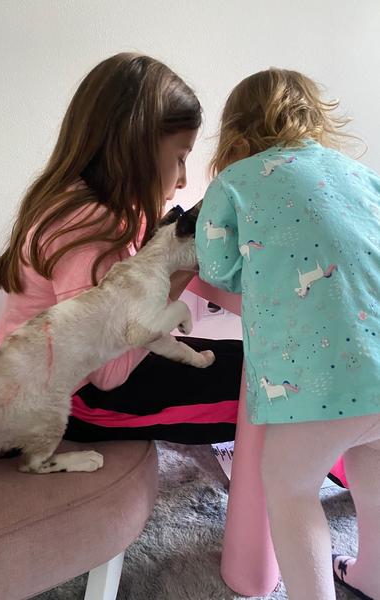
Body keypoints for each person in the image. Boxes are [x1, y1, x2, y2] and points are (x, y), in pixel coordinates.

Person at [0, 52, 243, 448]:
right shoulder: (91, 227)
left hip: (54, 381)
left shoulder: (85, 203)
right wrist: (181, 268)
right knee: (271, 393)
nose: (182, 179)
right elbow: (109, 375)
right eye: (180, 158)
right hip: (68, 401)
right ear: (137, 149)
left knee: (259, 371)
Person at [196, 68, 380, 600]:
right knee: (371, 464)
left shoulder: (235, 182)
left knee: (289, 485)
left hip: (318, 382)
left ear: (236, 130)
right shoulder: (361, 173)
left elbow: (218, 267)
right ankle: (373, 574)